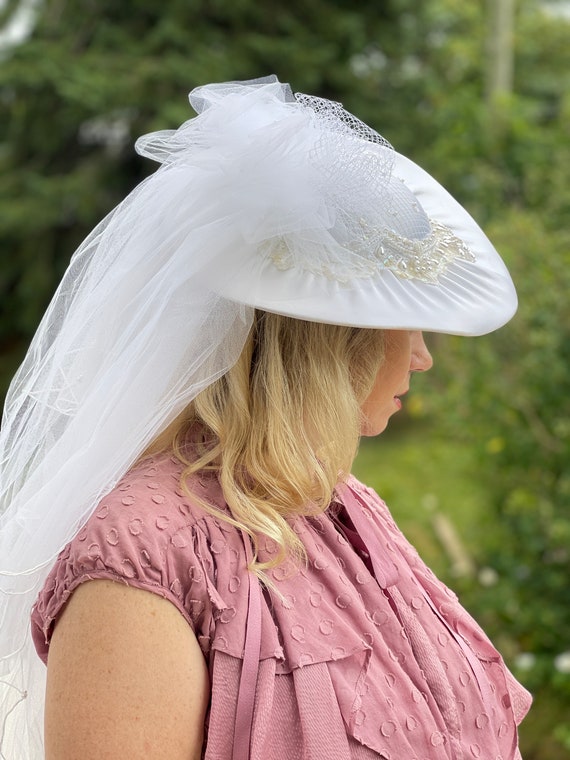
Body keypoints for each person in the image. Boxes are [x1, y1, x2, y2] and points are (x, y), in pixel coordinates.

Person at [0, 76, 531, 759]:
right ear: (336, 342)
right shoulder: (142, 556)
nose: (423, 357)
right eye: (408, 325)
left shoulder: (338, 505)